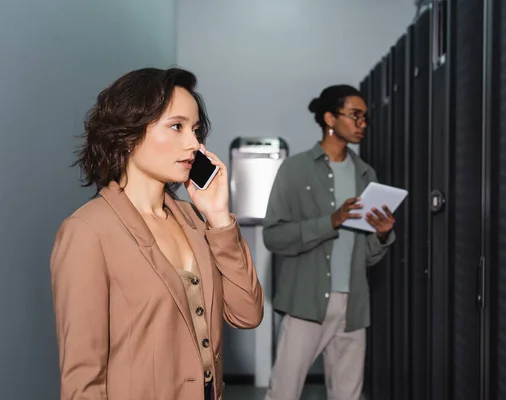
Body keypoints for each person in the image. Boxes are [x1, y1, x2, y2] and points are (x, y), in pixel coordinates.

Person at [50, 67, 264, 400]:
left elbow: (247, 313)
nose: (193, 143)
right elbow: (83, 377)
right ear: (129, 133)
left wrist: (219, 217)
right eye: (176, 127)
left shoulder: (193, 220)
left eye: (195, 129)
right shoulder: (88, 232)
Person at [263, 85, 396, 400]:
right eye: (355, 116)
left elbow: (367, 258)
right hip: (306, 303)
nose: (362, 124)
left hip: (353, 305)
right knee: (284, 392)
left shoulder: (366, 175)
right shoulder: (295, 170)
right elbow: (274, 236)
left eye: (365, 118)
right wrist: (330, 221)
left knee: (348, 395)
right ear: (329, 119)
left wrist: (382, 234)